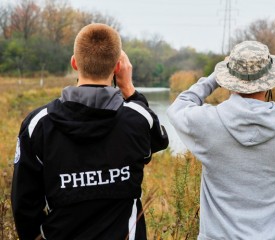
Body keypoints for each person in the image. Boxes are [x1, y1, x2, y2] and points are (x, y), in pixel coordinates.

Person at [11, 23, 169, 240]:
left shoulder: (39, 125)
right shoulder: (137, 119)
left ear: (74, 63)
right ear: (118, 67)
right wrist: (129, 90)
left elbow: (24, 205)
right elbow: (158, 140)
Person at [167, 40, 275, 240]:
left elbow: (178, 107)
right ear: (271, 81)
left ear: (228, 79)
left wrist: (213, 78)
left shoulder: (209, 123)